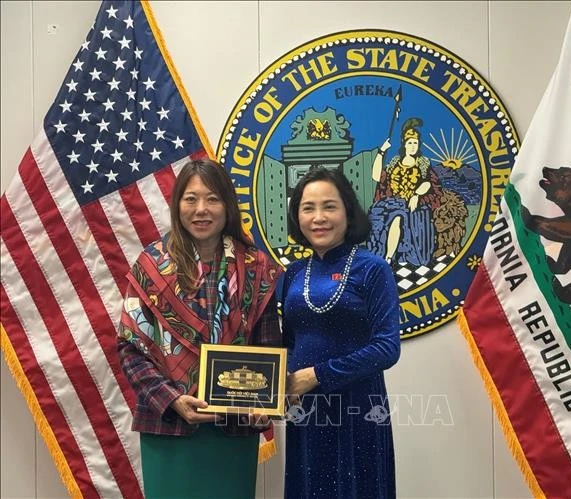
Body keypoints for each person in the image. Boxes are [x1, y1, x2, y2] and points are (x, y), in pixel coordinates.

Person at [117, 158, 282, 498]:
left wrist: (264, 401)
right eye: (191, 199)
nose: (201, 209)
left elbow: (268, 346)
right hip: (167, 425)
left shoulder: (256, 266)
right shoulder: (151, 265)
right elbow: (130, 349)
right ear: (177, 205)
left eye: (212, 198)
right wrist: (173, 399)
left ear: (228, 205)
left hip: (234, 427)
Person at [282, 166, 401, 498]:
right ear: (297, 217)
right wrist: (275, 382)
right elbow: (289, 343)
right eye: (308, 208)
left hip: (358, 409)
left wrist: (317, 375)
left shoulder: (373, 269)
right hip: (305, 411)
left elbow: (387, 347)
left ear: (348, 212)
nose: (319, 217)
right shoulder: (293, 274)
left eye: (329, 206)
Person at [368, 117, 445, 267]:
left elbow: (429, 183)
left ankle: (388, 258)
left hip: (411, 205)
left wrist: (416, 195)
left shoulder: (423, 163)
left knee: (397, 218)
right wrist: (381, 152)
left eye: (415, 143)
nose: (413, 146)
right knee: (376, 215)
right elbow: (376, 176)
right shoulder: (395, 162)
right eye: (410, 143)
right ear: (404, 144)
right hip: (391, 202)